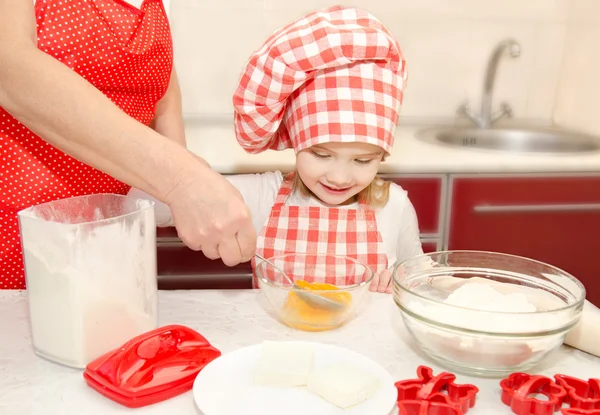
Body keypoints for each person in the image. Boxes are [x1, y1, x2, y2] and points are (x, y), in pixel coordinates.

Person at [136, 5, 424, 293]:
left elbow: (423, 284)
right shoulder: (263, 198)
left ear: (383, 156)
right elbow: (152, 203)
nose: (339, 177)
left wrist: (400, 293)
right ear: (296, 141)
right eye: (321, 155)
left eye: (362, 160)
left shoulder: (394, 207)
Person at [0, 0, 256, 289]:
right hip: (14, 240)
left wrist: (186, 179)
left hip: (111, 244)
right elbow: (10, 66)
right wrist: (181, 179)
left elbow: (161, 96)